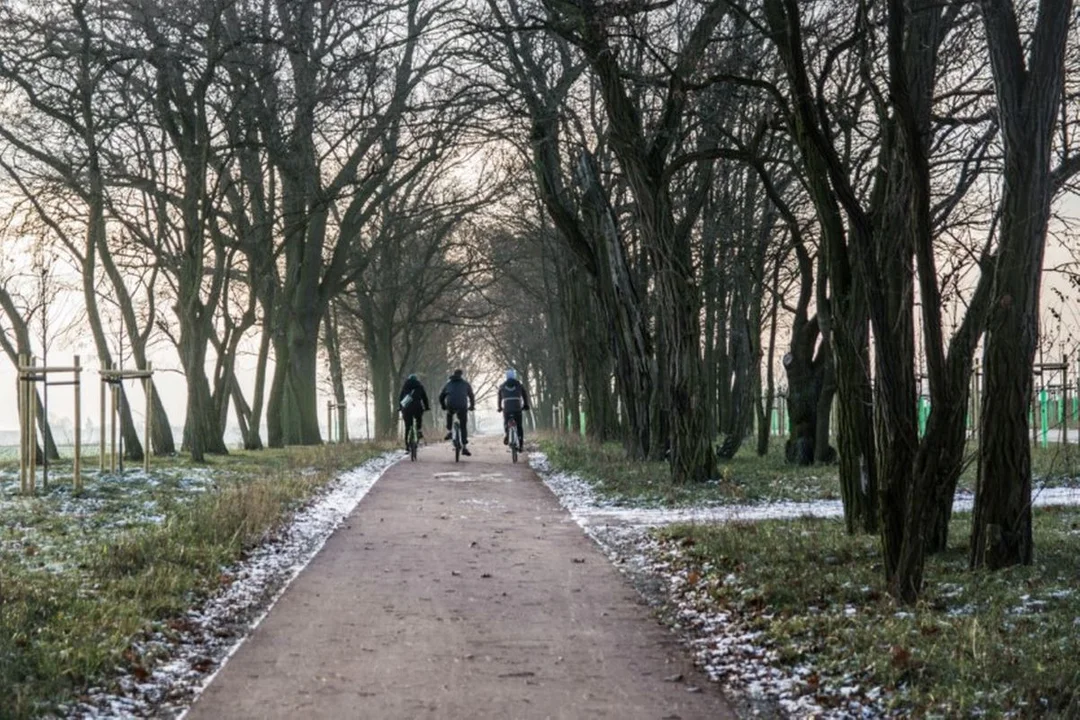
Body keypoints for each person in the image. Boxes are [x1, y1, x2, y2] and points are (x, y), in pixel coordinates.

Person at [439, 368, 475, 456]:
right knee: (463, 426)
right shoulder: (465, 384)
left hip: (451, 405)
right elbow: (471, 396)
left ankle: (450, 431)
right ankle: (464, 446)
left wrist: (443, 406)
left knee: (449, 414)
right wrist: (472, 406)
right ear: (461, 375)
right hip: (462, 406)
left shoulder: (448, 384)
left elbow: (441, 396)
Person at [497, 368, 530, 450]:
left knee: (506, 423)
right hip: (517, 408)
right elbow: (524, 395)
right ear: (514, 376)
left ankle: (507, 435)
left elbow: (499, 398)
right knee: (519, 426)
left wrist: (499, 407)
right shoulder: (519, 385)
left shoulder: (502, 386)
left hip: (507, 409)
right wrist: (526, 405)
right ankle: (521, 445)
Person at [398, 373, 430, 449]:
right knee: (418, 419)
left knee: (407, 427)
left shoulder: (405, 386)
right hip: (417, 407)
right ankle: (418, 430)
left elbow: (400, 398)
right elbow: (424, 398)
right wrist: (427, 407)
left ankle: (407, 445)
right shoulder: (420, 386)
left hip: (407, 407)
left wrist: (400, 407)